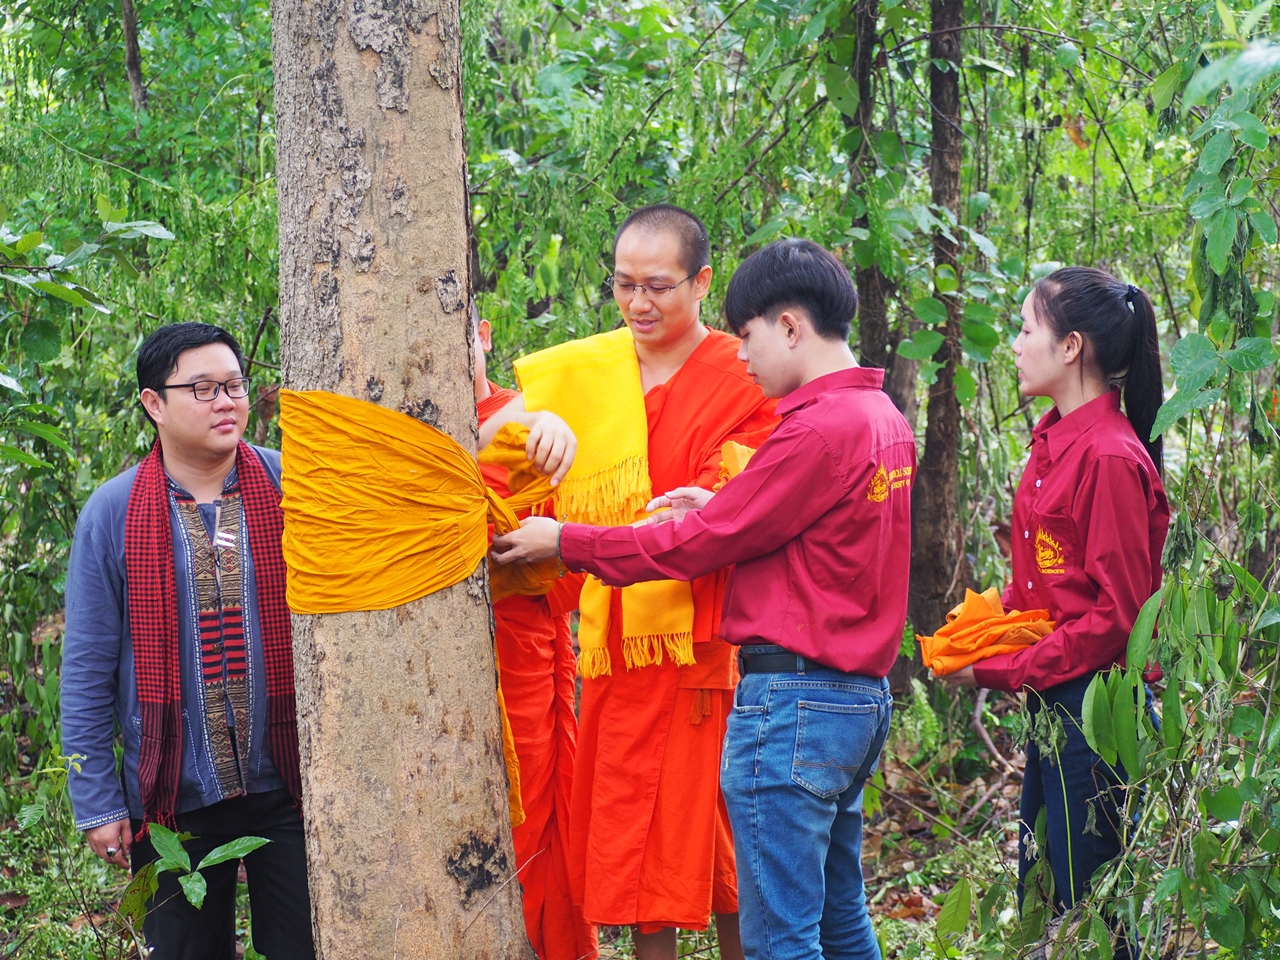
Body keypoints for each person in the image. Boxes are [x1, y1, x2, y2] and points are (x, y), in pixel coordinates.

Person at [493, 237, 915, 960]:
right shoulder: (881, 418)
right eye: (622, 283)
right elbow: (779, 527)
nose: (741, 358)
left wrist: (567, 543)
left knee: (779, 935)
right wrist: (721, 503)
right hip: (857, 697)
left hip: (794, 700)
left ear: (789, 326)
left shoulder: (813, 429)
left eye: (747, 336)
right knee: (839, 919)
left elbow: (697, 545)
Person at [482, 204, 776, 960]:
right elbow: (494, 455)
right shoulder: (586, 371)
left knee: (726, 851)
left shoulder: (744, 376)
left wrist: (575, 538)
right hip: (611, 649)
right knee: (638, 856)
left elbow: (716, 517)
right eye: (623, 286)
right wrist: (529, 431)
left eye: (659, 287)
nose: (639, 305)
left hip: (703, 644)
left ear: (702, 282)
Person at [61, 323, 314, 959]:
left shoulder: (290, 488)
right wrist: (97, 802)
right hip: (173, 798)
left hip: (290, 781)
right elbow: (88, 668)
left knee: (307, 945)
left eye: (233, 385)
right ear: (154, 404)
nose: (225, 401)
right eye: (202, 388)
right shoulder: (114, 512)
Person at [942, 268, 1169, 953]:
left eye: (1025, 328)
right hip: (1055, 706)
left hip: (1096, 714)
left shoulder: (1106, 457)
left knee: (1095, 913)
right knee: (1045, 895)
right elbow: (1042, 591)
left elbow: (1119, 623)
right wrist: (980, 636)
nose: (1014, 344)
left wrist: (998, 672)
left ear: (1070, 347)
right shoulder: (1052, 445)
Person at [472, 306, 597, 960]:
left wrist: (535, 420)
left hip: (522, 651)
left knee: (532, 823)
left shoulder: (532, 425)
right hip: (415, 679)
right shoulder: (391, 435)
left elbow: (580, 555)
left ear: (483, 335)